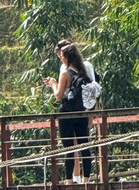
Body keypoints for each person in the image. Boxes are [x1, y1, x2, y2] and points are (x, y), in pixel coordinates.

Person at [44, 44, 93, 185]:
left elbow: (58, 96)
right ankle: (86, 180)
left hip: (66, 113)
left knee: (69, 148)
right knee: (85, 147)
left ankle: (69, 181)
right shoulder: (83, 71)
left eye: (62, 56)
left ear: (67, 57)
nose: (61, 59)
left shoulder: (65, 73)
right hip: (81, 113)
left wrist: (53, 84)